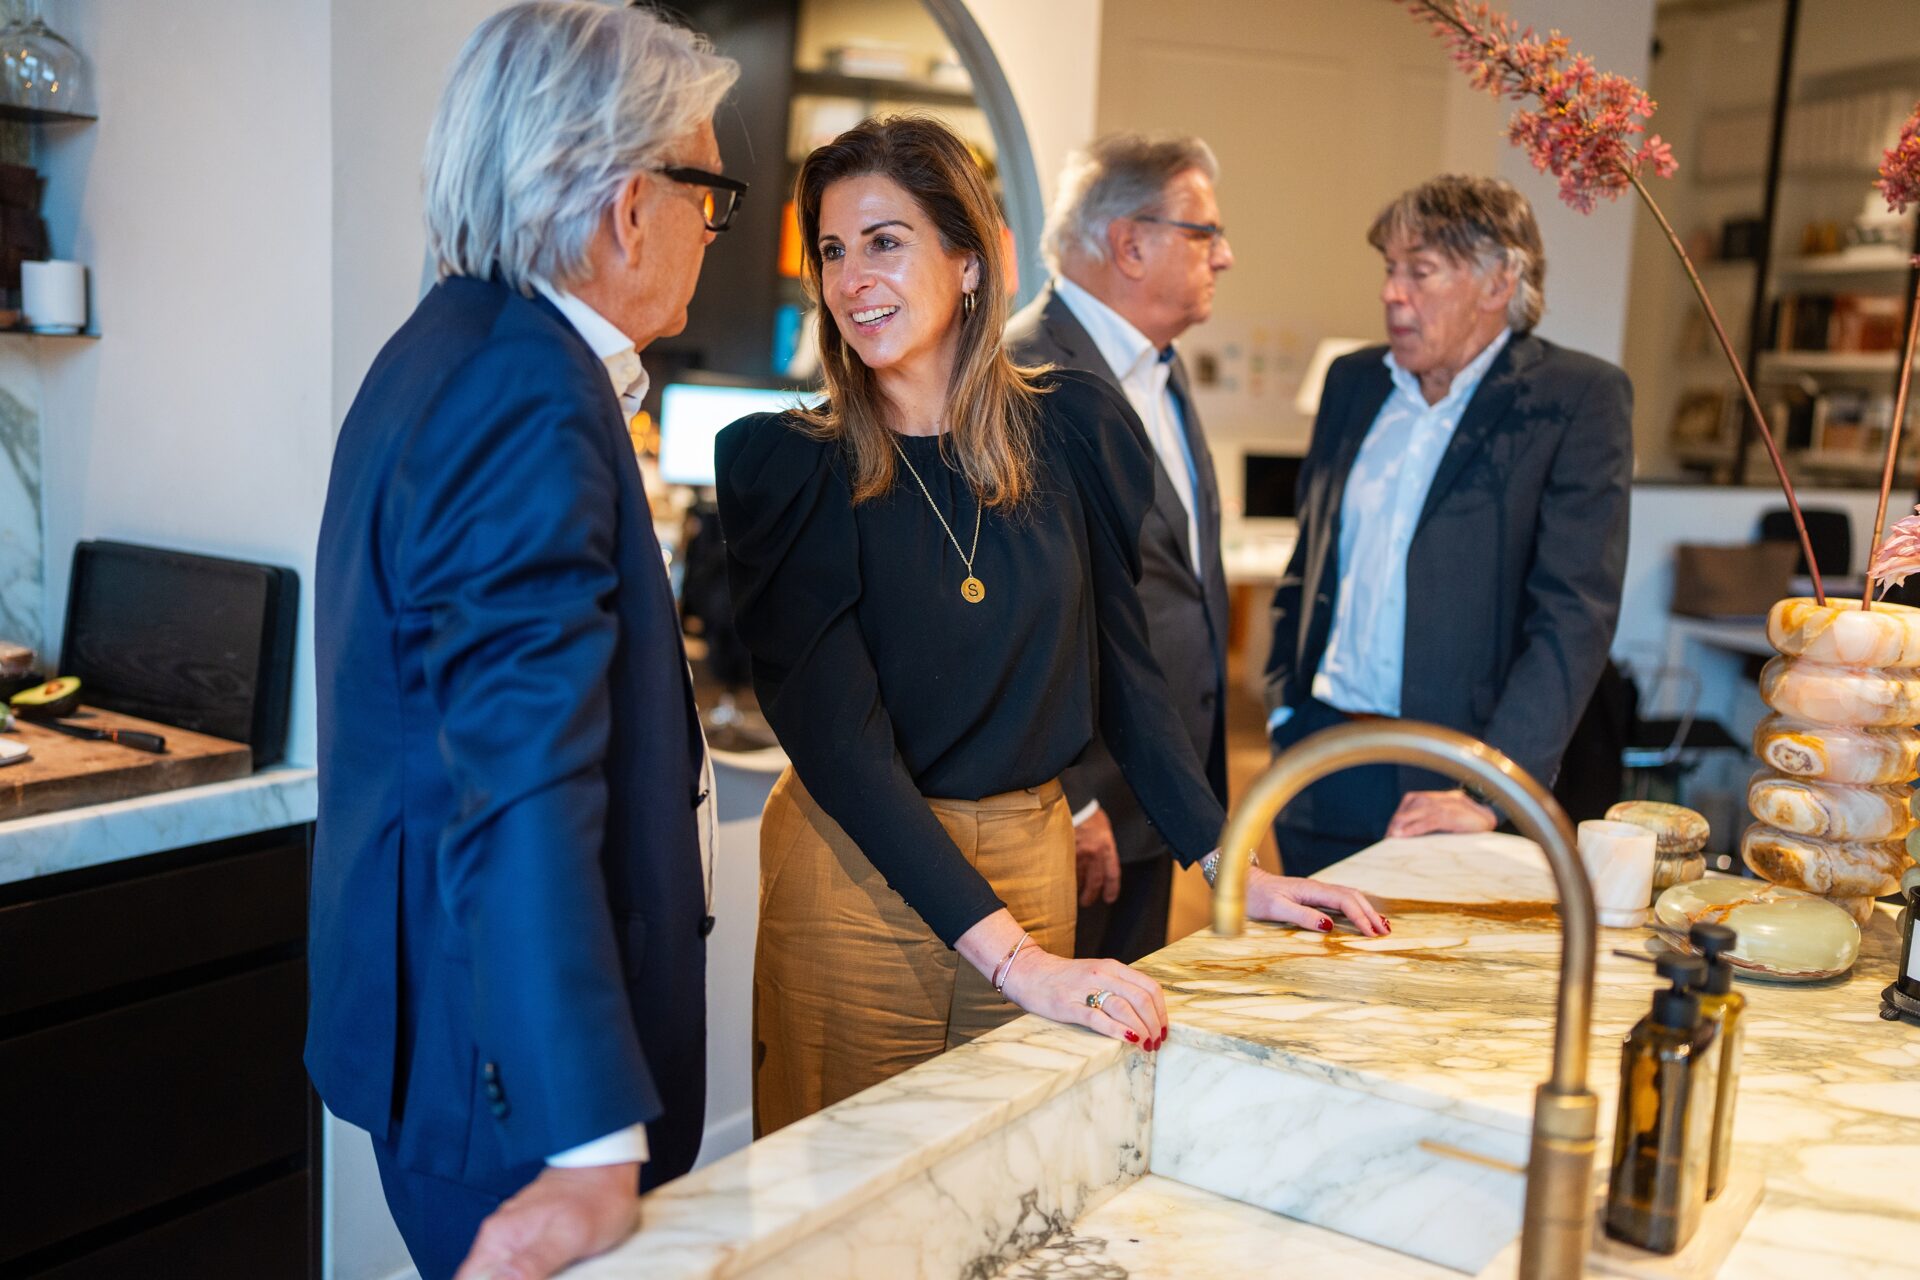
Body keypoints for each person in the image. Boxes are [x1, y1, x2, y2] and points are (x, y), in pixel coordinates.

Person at [715, 115, 1386, 1138]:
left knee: (1010, 1168)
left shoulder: (1073, 426)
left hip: (1032, 857)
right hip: (858, 877)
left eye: (885, 241)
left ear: (970, 263)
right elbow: (842, 749)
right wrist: (1019, 962)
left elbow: (1127, 675)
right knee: (849, 1188)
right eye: (834, 251)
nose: (852, 279)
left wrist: (1229, 866)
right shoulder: (791, 466)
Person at [308, 6, 741, 1277]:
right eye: (709, 196)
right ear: (630, 207)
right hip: (517, 1092)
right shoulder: (523, 386)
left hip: (463, 1036)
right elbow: (518, 776)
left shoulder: (449, 345)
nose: (711, 232)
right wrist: (588, 1137)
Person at [1263, 174, 1632, 876]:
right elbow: (1310, 560)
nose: (1391, 293)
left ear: (1498, 283)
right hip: (1321, 759)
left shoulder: (1575, 399)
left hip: (1457, 778)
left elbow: (1573, 614)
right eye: (1389, 268)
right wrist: (1285, 707)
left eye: (1420, 271)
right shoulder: (1352, 382)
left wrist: (1494, 786)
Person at [1005, 133, 1233, 963]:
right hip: (1080, 812)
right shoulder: (1024, 374)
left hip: (1165, 790)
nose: (1226, 256)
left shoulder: (1164, 370)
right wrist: (1073, 798)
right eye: (1205, 234)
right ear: (1131, 245)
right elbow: (1018, 616)